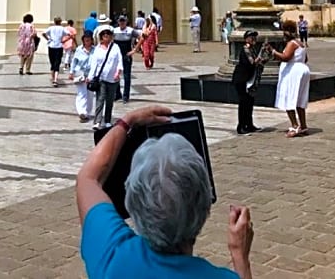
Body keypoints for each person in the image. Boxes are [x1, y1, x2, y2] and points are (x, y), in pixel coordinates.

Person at [76, 103, 254, 278]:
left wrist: (127, 121)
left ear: (133, 203)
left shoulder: (112, 255)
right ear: (205, 204)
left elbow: (88, 178)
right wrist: (240, 257)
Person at [270, 19, 310, 137]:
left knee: (290, 98)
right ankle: (303, 125)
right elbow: (306, 59)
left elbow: (286, 57)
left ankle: (294, 125)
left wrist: (273, 52)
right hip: (301, 70)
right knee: (299, 100)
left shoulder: (291, 43)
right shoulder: (300, 43)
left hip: (293, 73)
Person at [232, 30, 265, 135]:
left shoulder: (252, 49)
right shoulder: (246, 49)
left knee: (249, 101)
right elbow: (252, 63)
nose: (254, 39)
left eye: (255, 37)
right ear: (246, 39)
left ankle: (249, 124)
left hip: (249, 79)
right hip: (241, 79)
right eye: (251, 37)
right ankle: (241, 126)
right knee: (243, 102)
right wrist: (261, 56)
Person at [88, 27, 122, 129]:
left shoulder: (115, 47)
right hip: (101, 78)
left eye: (108, 35)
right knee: (100, 99)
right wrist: (90, 77)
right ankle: (97, 121)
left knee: (110, 101)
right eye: (104, 35)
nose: (106, 37)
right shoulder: (97, 49)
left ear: (111, 37)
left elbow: (119, 61)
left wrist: (118, 72)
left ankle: (107, 120)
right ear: (101, 37)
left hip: (112, 78)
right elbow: (94, 64)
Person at [113, 14, 140, 103]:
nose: (122, 23)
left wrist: (135, 50)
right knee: (116, 75)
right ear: (118, 22)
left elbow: (141, 37)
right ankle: (117, 94)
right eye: (120, 21)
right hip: (117, 56)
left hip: (126, 55)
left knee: (127, 76)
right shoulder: (114, 31)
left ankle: (126, 96)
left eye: (123, 21)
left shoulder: (130, 31)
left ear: (126, 22)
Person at [70, 31, 96, 122]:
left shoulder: (95, 50)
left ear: (92, 40)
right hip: (79, 72)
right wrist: (71, 72)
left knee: (90, 94)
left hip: (91, 74)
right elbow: (74, 61)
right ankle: (82, 112)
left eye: (89, 40)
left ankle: (87, 112)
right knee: (81, 93)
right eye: (85, 40)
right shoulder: (79, 49)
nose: (87, 42)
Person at [43, 16, 68, 86]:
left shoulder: (51, 28)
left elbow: (43, 33)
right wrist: (64, 40)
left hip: (51, 46)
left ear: (54, 22)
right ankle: (55, 80)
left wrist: (48, 39)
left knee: (52, 62)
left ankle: (53, 78)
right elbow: (70, 35)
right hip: (59, 46)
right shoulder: (62, 28)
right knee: (57, 63)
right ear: (60, 22)